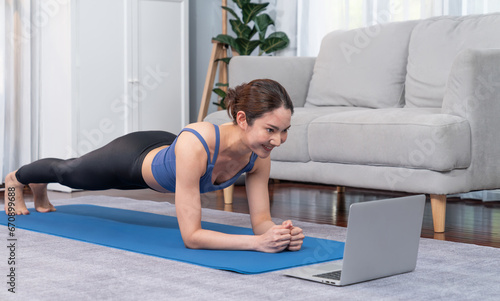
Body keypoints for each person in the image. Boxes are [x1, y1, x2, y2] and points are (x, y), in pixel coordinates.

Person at [4, 79, 305, 253]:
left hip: (168, 154)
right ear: (242, 119)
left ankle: (38, 186)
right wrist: (256, 244)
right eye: (271, 130)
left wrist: (279, 233)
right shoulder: (198, 145)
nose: (278, 140)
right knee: (69, 172)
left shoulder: (258, 156)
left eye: (284, 130)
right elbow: (192, 237)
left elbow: (261, 222)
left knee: (68, 173)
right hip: (132, 160)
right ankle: (17, 179)